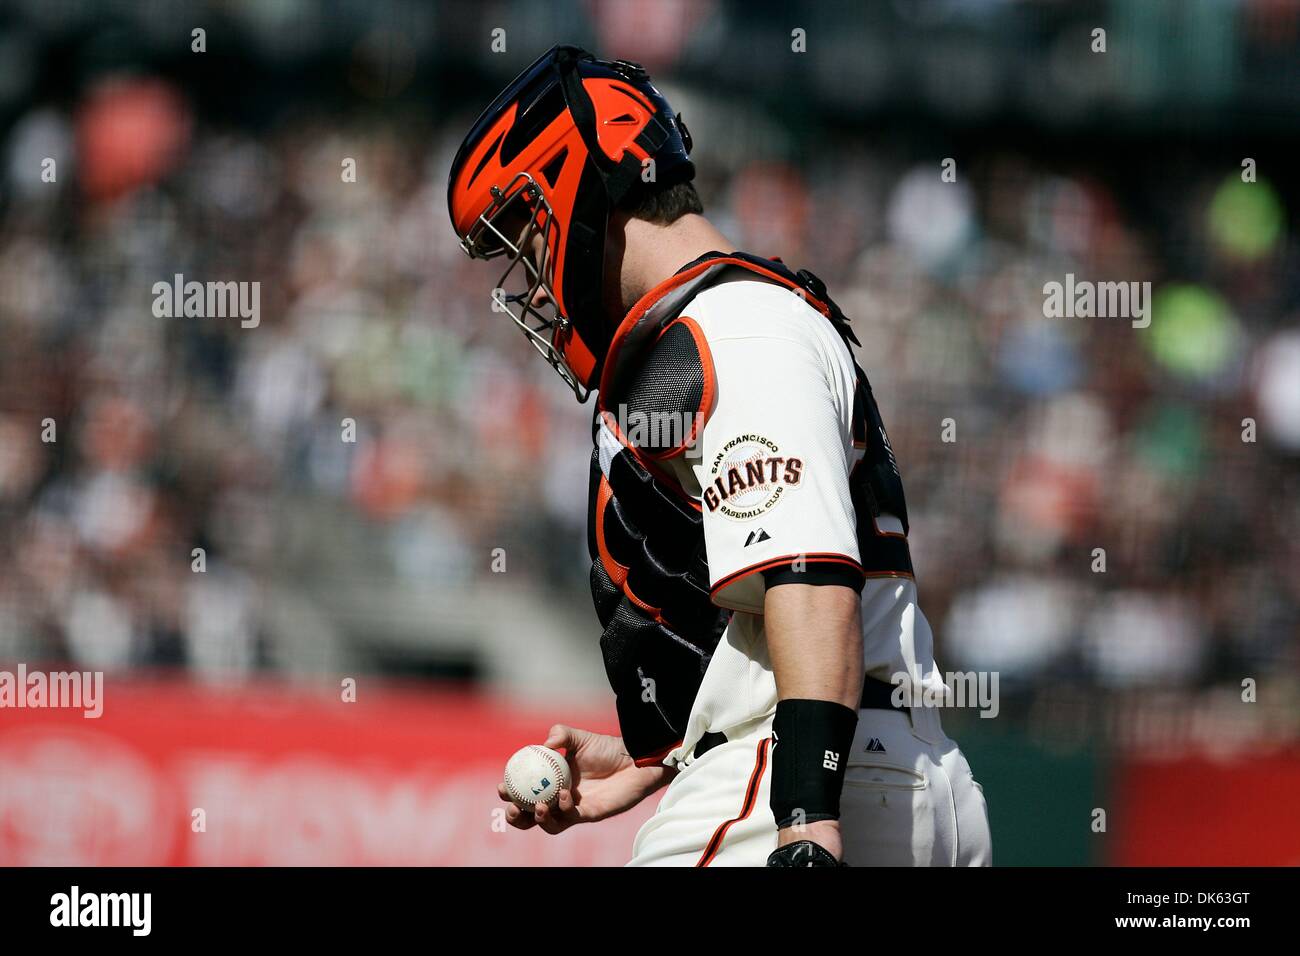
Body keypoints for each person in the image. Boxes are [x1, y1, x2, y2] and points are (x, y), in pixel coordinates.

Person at [448, 45, 991, 866]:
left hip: (793, 779)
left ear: (578, 186)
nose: (530, 277)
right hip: (878, 766)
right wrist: (658, 759)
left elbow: (811, 582)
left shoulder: (732, 328)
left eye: (523, 230)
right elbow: (772, 602)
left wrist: (807, 817)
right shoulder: (730, 321)